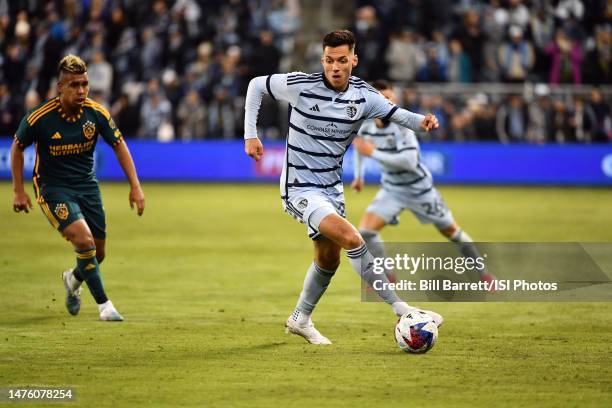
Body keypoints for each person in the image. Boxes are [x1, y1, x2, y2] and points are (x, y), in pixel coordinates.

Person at [243, 30, 441, 345]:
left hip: (332, 189)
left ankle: (300, 319)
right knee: (352, 237)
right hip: (300, 187)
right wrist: (250, 134)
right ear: (323, 60)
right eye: (329, 60)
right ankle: (400, 307)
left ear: (354, 60)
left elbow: (396, 114)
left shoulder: (364, 95)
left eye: (342, 60)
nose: (335, 67)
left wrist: (423, 121)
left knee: (328, 259)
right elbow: (256, 85)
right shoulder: (301, 85)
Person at [11, 55, 145, 321]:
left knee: (99, 253)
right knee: (84, 242)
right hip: (53, 189)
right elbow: (17, 147)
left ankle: (72, 280)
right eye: (74, 85)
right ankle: (105, 306)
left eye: (84, 84)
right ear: (60, 87)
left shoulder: (96, 113)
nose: (81, 90)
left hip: (87, 186)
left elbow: (119, 145)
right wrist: (18, 190)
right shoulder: (40, 117)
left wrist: (135, 186)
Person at [351, 80, 495, 287]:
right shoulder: (365, 125)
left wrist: (373, 152)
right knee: (365, 232)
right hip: (392, 189)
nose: (384, 102)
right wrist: (359, 176)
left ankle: (485, 275)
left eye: (388, 98)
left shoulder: (403, 126)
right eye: (380, 98)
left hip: (420, 190)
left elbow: (409, 162)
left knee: (453, 233)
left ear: (395, 100)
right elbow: (360, 148)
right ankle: (387, 275)